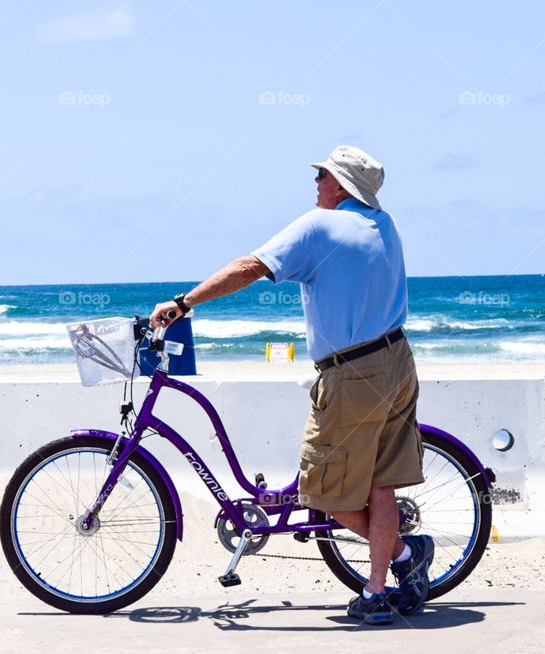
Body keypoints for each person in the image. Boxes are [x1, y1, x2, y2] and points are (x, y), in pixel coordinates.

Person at [149, 145, 433, 626]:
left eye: (322, 175)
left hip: (353, 375)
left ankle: (403, 555)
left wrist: (185, 301)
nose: (316, 183)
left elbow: (249, 267)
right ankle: (380, 587)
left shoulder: (319, 226)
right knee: (381, 483)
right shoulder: (384, 225)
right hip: (397, 361)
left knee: (319, 493)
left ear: (341, 184)